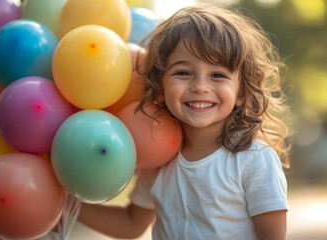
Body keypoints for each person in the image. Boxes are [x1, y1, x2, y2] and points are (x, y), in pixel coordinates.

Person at [77, 3, 291, 240]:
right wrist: (66, 204)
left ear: (241, 93)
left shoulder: (254, 159)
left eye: (218, 75)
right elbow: (131, 224)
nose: (200, 86)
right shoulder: (158, 159)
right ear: (159, 88)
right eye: (183, 73)